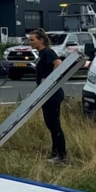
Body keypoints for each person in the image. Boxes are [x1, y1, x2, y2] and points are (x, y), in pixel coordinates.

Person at [29, 29, 67, 164]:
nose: (30, 42)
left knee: (54, 124)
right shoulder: (41, 54)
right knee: (50, 124)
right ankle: (55, 151)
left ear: (41, 40)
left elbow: (58, 63)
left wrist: (50, 79)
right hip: (46, 94)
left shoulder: (48, 52)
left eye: (32, 40)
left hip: (53, 94)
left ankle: (61, 155)